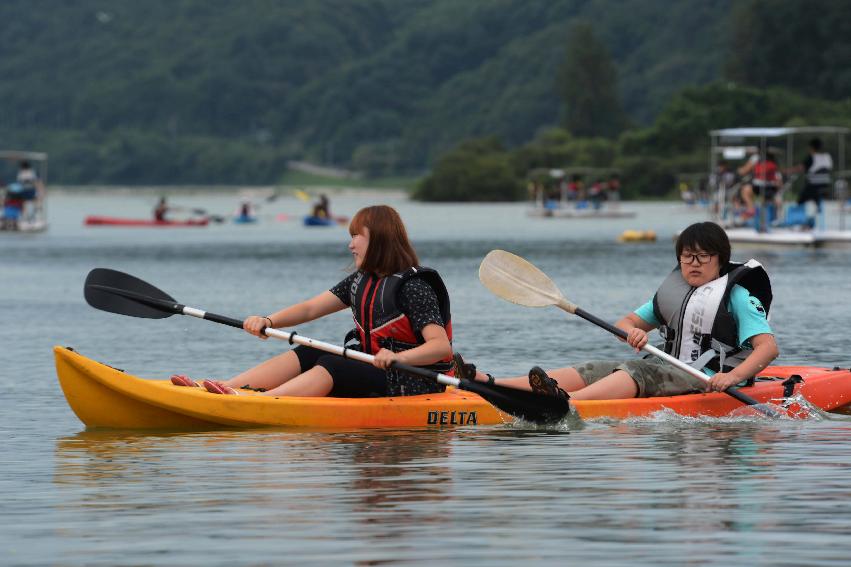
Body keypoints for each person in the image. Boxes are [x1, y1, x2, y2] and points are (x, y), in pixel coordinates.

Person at [454, 222, 779, 402]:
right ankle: (490, 382)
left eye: (702, 257)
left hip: (706, 377)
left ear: (720, 260)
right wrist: (632, 331)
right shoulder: (674, 292)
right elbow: (629, 322)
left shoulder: (737, 296)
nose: (693, 264)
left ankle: (564, 404)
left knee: (636, 373)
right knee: (594, 366)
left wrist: (733, 377)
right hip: (667, 366)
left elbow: (768, 348)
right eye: (686, 257)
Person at [171, 205, 454, 398]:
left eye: (356, 236)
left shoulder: (413, 288)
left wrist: (397, 357)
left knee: (335, 363)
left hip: (415, 380)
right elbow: (310, 308)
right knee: (308, 351)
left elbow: (440, 347)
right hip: (379, 372)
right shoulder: (361, 281)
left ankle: (266, 401)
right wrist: (268, 321)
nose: (350, 244)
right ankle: (226, 387)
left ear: (379, 240)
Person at [788, 138, 833, 217]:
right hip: (826, 184)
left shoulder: (812, 157)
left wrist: (787, 171)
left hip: (813, 185)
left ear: (811, 147)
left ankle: (798, 218)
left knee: (801, 199)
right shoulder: (827, 156)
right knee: (815, 196)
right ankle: (818, 210)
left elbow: (800, 168)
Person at [739, 151, 782, 216]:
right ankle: (774, 214)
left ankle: (751, 209)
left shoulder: (756, 159)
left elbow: (744, 170)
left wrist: (739, 171)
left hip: (760, 187)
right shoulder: (774, 163)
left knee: (745, 191)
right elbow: (779, 180)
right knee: (773, 198)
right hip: (771, 188)